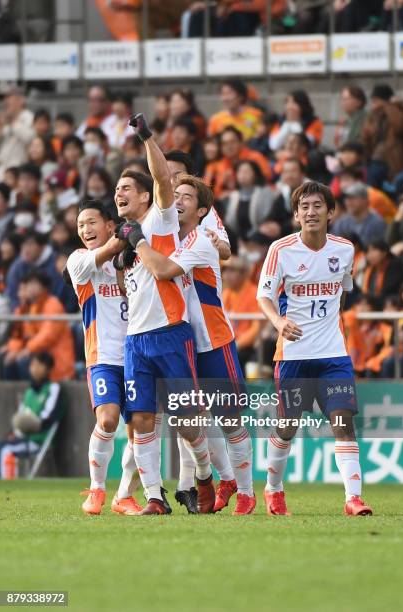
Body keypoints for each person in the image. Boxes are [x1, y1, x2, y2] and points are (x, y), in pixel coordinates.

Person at [127, 173, 256, 515]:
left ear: (202, 211)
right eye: (176, 195)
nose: (178, 200)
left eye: (187, 197)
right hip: (180, 341)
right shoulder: (167, 237)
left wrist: (137, 242)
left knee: (229, 419)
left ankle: (245, 492)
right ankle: (217, 478)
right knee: (187, 418)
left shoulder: (201, 239)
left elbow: (164, 271)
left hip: (212, 340)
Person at [114, 114, 215, 515]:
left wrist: (145, 135)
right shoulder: (125, 240)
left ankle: (204, 477)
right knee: (141, 420)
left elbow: (160, 179)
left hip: (171, 334)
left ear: (144, 197)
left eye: (126, 189)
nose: (119, 194)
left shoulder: (160, 220)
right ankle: (154, 497)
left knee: (188, 422)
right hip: (136, 341)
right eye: (116, 189)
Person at [257, 181, 373, 516]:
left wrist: (331, 325)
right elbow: (263, 296)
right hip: (292, 355)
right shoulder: (281, 250)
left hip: (333, 355)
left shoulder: (345, 249)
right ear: (295, 215)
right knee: (287, 426)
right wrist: (279, 323)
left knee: (343, 420)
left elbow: (344, 289)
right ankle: (274, 490)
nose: (311, 212)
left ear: (331, 212)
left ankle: (353, 498)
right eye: (304, 207)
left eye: (318, 205)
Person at [67, 200, 143, 516]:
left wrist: (132, 245)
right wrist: (126, 235)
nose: (86, 230)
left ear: (109, 224)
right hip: (103, 356)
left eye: (91, 222)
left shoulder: (134, 258)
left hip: (140, 355)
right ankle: (97, 488)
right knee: (108, 419)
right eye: (81, 225)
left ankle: (124, 495)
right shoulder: (79, 260)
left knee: (141, 431)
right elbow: (99, 257)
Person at [3, 270, 75, 382]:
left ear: (44, 287)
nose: (30, 287)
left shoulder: (53, 304)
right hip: (37, 353)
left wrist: (27, 349)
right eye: (29, 284)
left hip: (54, 359)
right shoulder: (25, 308)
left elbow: (48, 335)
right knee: (7, 360)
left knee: (24, 361)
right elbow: (17, 335)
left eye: (34, 284)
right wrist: (14, 350)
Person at [0, 352, 62, 479]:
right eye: (32, 364)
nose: (34, 368)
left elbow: (49, 417)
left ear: (47, 368)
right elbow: (21, 416)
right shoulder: (29, 391)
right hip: (24, 436)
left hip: (38, 439)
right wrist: (14, 432)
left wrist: (33, 425)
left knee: (6, 450)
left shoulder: (53, 388)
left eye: (39, 365)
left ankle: (9, 486)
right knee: (3, 445)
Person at [165, 149, 231, 260]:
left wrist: (208, 241)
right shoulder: (150, 204)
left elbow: (226, 252)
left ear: (189, 177)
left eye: (177, 176)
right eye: (166, 176)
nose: (172, 181)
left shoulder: (201, 207)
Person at [223, 159, 291, 242]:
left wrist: (251, 235)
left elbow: (267, 219)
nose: (242, 175)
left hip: (260, 236)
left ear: (255, 174)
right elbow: (230, 222)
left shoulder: (265, 192)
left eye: (246, 172)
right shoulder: (234, 195)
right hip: (238, 240)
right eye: (240, 172)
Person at [204, 125, 271, 200]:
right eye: (224, 143)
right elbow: (216, 192)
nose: (229, 146)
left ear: (241, 142)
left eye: (232, 142)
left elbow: (267, 179)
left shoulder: (256, 157)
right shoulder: (220, 165)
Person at [5, 231, 67, 311]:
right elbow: (12, 294)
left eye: (30, 244)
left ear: (42, 246)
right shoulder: (19, 265)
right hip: (26, 314)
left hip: (55, 311)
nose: (26, 249)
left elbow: (62, 294)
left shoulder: (57, 262)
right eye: (23, 245)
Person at [222, 255, 262, 372]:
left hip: (250, 347)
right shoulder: (226, 293)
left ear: (244, 273)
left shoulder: (255, 293)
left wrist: (238, 344)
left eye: (232, 271)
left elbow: (256, 329)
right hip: (231, 343)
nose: (227, 275)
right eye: (225, 271)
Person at [362, 84, 403, 188]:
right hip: (375, 159)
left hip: (394, 160)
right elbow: (366, 137)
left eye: (376, 100)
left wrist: (390, 107)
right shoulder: (374, 116)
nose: (374, 104)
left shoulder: (400, 111)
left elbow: (400, 127)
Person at [332, 182, 386, 247]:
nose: (348, 202)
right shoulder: (341, 222)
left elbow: (378, 250)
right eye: (347, 198)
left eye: (352, 198)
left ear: (365, 200)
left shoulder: (377, 222)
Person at [0, 85, 35, 180]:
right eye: (4, 98)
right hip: (2, 169)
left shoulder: (29, 117)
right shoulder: (6, 121)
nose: (5, 101)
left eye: (9, 97)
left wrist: (13, 123)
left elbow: (30, 138)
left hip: (19, 171)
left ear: (21, 100)